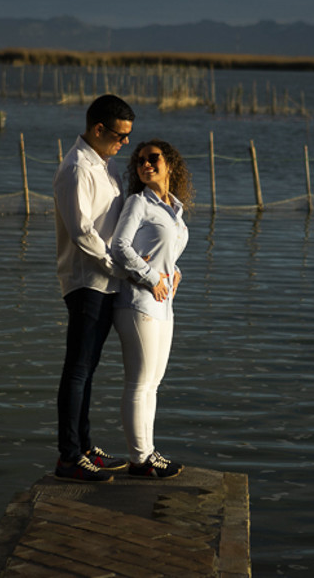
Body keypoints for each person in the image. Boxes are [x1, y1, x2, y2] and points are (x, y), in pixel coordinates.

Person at [52, 94, 136, 482]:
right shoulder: (76, 169)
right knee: (78, 369)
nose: (125, 143)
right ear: (98, 129)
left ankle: (85, 447)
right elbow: (81, 231)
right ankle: (69, 457)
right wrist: (114, 264)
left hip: (108, 282)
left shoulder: (108, 165)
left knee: (88, 370)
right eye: (120, 135)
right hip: (86, 281)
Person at [111, 139, 192, 479]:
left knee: (154, 384)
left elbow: (165, 252)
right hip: (137, 303)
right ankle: (139, 459)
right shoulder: (138, 203)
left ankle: (148, 452)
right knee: (139, 383)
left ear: (169, 164)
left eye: (153, 158)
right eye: (141, 160)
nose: (146, 164)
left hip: (164, 305)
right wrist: (149, 275)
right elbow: (119, 247)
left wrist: (173, 271)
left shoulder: (175, 209)